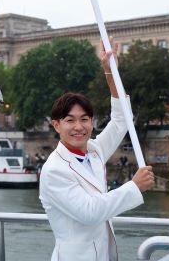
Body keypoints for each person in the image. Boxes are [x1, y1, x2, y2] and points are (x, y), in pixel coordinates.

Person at [39, 40, 156, 261]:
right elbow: (90, 213)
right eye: (70, 120)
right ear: (56, 125)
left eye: (84, 119)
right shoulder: (54, 170)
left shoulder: (93, 150)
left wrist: (110, 73)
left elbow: (122, 120)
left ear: (92, 122)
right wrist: (134, 186)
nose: (78, 127)